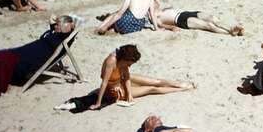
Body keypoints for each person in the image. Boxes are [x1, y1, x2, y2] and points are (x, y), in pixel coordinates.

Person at [59, 44, 194, 111]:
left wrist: (129, 94)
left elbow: (127, 77)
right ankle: (181, 90)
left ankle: (179, 84)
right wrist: (99, 103)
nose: (130, 65)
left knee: (155, 81)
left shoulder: (124, 61)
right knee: (151, 89)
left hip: (123, 82)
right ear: (124, 59)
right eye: (129, 63)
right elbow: (104, 83)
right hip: (114, 89)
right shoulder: (111, 61)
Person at [0, 15, 75, 99]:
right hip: (25, 51)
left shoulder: (61, 37)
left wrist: (68, 26)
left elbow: (66, 32)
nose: (55, 26)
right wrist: (55, 24)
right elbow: (47, 31)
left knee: (1, 57)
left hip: (29, 58)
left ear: (64, 27)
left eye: (58, 25)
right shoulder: (55, 34)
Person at [154, 1, 244, 36]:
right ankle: (229, 33)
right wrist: (171, 28)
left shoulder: (161, 7)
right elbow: (160, 25)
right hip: (180, 20)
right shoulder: (154, 16)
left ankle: (230, 28)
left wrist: (159, 5)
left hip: (185, 13)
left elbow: (170, 4)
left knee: (211, 18)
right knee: (208, 25)